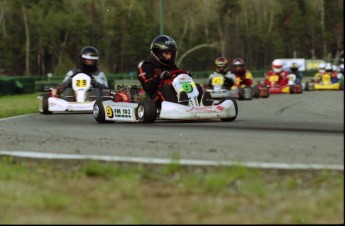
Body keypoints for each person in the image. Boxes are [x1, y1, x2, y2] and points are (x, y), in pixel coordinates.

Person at [137, 35, 204, 108]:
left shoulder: (172, 66)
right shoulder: (146, 66)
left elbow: (178, 78)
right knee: (165, 87)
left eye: (171, 54)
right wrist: (160, 77)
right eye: (166, 54)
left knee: (196, 86)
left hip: (175, 95)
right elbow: (147, 87)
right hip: (155, 101)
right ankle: (179, 107)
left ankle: (197, 105)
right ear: (156, 53)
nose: (169, 57)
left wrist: (185, 76)